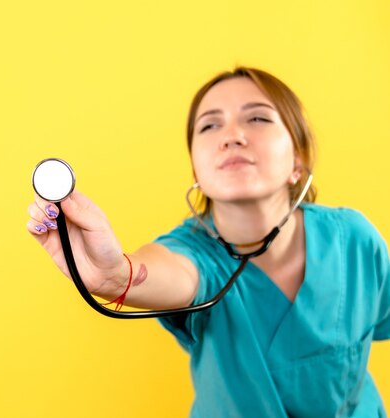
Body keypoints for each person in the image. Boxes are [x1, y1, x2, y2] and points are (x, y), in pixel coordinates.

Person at [26, 67, 390, 417]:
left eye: (258, 118)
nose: (231, 136)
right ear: (197, 171)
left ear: (298, 160)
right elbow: (169, 272)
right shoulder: (194, 253)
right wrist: (117, 276)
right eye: (210, 125)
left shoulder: (355, 242)